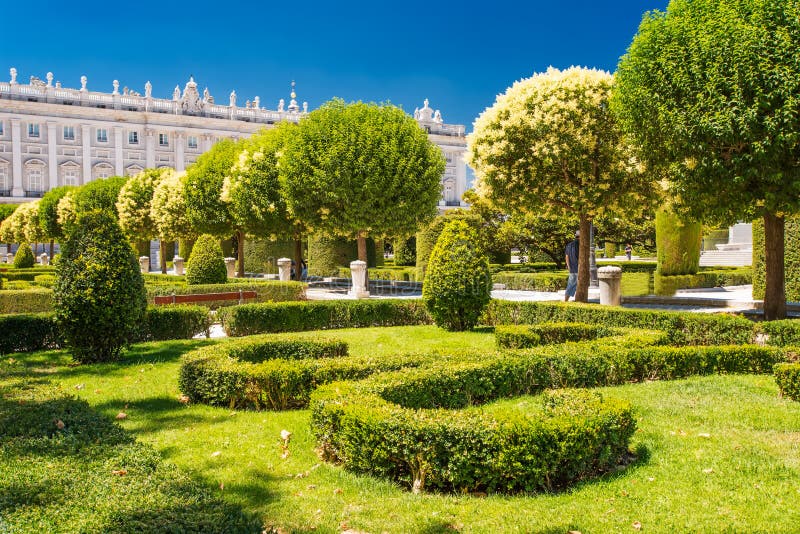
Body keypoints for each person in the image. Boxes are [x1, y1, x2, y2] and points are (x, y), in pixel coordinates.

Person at [564, 230, 580, 302]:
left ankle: (566, 300)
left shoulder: (569, 245)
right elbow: (581, 257)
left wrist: (569, 266)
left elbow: (566, 256)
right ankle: (577, 300)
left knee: (571, 285)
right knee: (576, 285)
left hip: (572, 268)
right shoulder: (580, 244)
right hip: (578, 268)